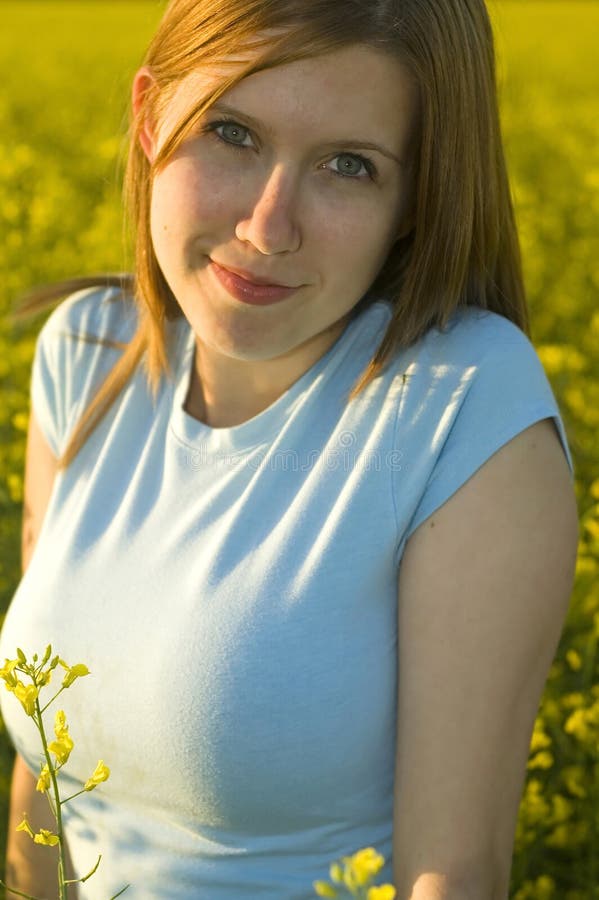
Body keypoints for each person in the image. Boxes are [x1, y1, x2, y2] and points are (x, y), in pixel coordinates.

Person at [0, 0, 579, 897]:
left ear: (415, 201)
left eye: (348, 166)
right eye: (232, 132)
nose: (269, 227)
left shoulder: (462, 405)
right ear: (151, 120)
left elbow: (451, 875)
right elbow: (48, 776)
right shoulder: (86, 354)